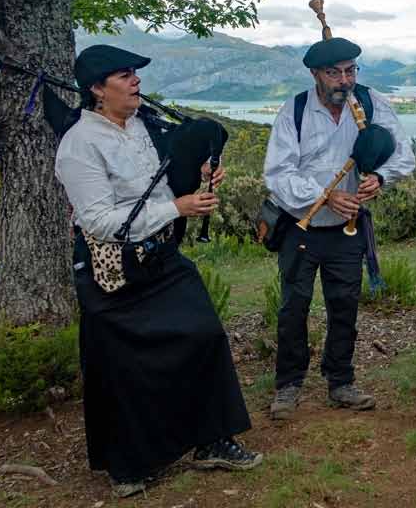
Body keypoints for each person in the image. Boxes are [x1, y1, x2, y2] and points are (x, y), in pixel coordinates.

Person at [54, 44, 261, 499]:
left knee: (204, 333)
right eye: (124, 75)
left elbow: (161, 182)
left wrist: (201, 173)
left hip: (161, 258)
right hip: (112, 270)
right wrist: (177, 207)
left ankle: (211, 441)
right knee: (119, 363)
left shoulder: (143, 126)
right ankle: (128, 463)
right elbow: (99, 221)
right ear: (95, 89)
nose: (135, 81)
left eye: (135, 74)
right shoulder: (79, 145)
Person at [263, 33, 414, 420]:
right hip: (301, 225)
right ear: (316, 74)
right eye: (334, 73)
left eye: (350, 71)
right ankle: (288, 385)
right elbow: (278, 174)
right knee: (294, 307)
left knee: (344, 305)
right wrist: (324, 196)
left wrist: (379, 178)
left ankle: (340, 381)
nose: (344, 81)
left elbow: (403, 154)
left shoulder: (369, 102)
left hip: (348, 228)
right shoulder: (294, 110)